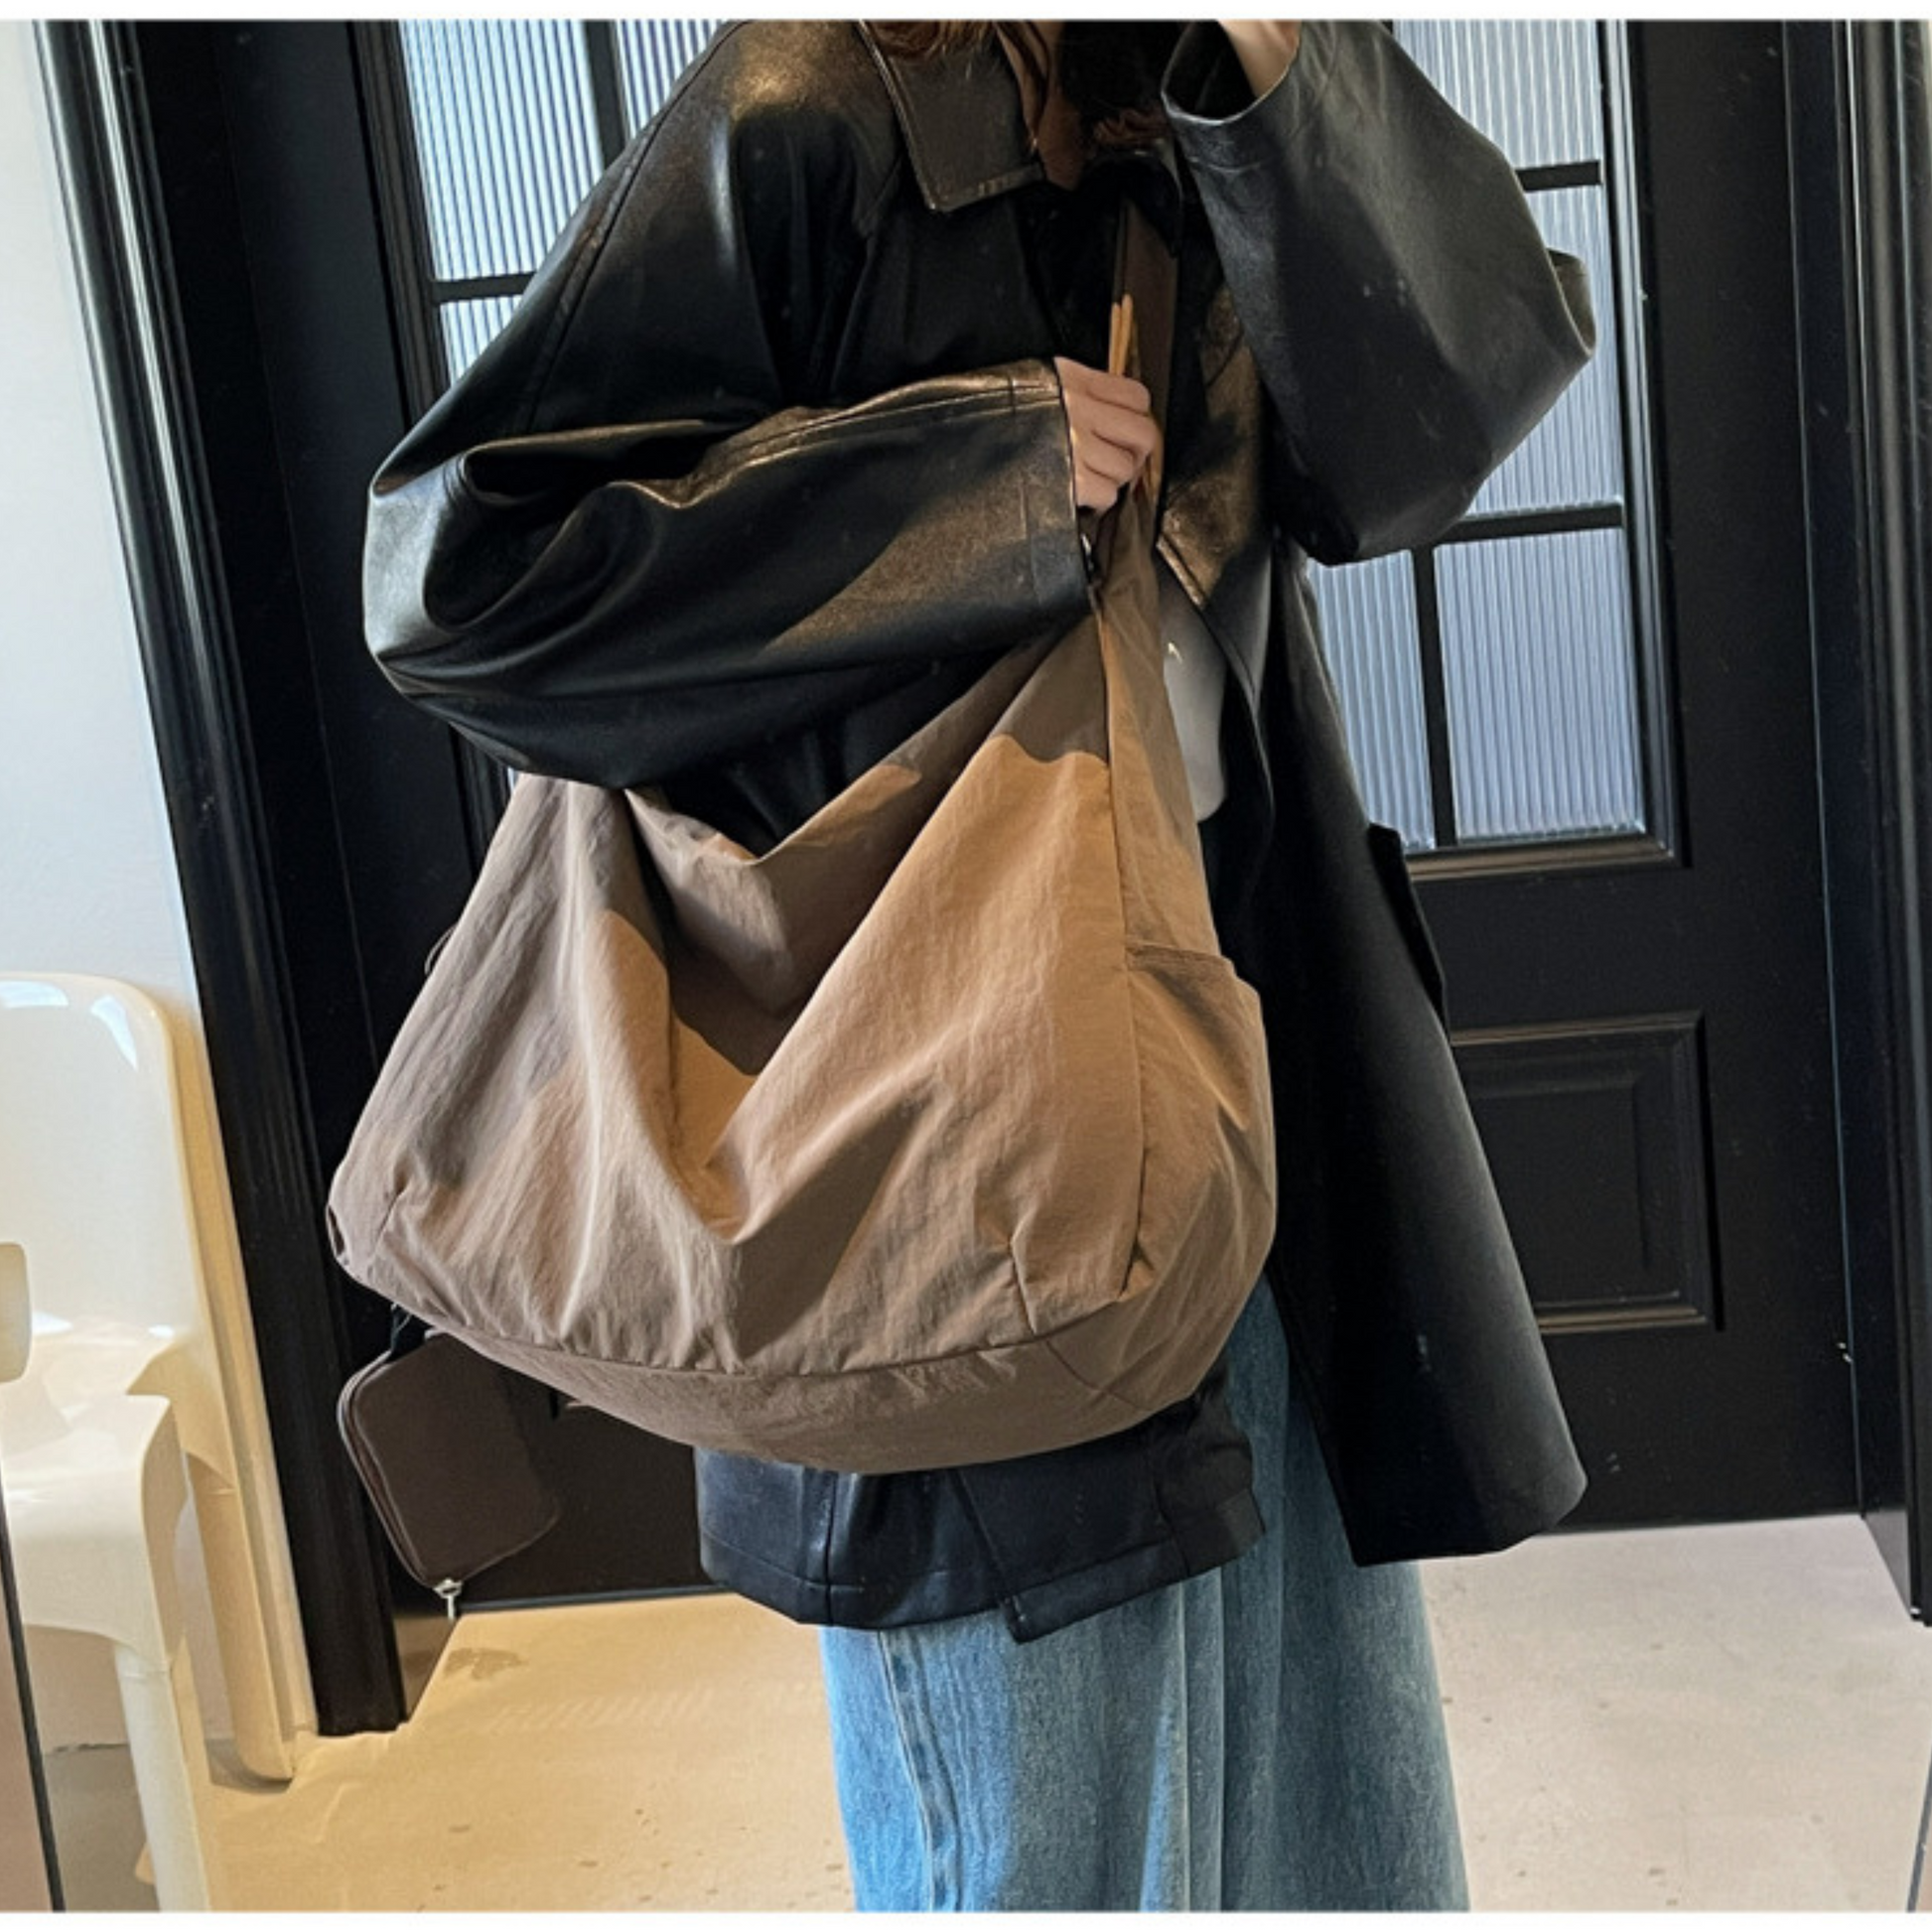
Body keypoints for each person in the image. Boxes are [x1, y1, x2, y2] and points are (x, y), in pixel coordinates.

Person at [360, 18, 1594, 1910]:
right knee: (1050, 1850)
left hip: (1233, 1043)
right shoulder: (805, 103)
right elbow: (455, 581)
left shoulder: (1188, 89)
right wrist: (963, 482)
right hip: (928, 1112)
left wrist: (1284, 79)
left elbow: (1422, 439)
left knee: (1317, 1828)